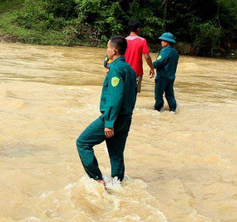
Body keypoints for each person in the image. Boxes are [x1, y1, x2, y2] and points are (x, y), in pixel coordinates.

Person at [76, 36, 138, 185]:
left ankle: (97, 179)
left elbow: (115, 97)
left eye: (108, 48)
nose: (106, 50)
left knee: (82, 143)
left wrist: (109, 122)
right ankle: (117, 184)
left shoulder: (116, 70)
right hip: (126, 118)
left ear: (114, 50)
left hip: (114, 118)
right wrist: (108, 59)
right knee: (116, 154)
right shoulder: (128, 68)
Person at [124, 20, 155, 93]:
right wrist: (152, 68)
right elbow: (147, 57)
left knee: (125, 92)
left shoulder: (123, 41)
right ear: (138, 29)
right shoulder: (142, 41)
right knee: (133, 93)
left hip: (124, 71)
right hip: (136, 71)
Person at [152, 32, 179, 112]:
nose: (161, 42)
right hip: (171, 77)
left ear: (167, 42)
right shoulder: (175, 52)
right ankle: (173, 110)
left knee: (158, 95)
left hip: (162, 77)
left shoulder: (165, 51)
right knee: (170, 95)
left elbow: (158, 63)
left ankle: (158, 110)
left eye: (162, 40)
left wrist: (151, 65)